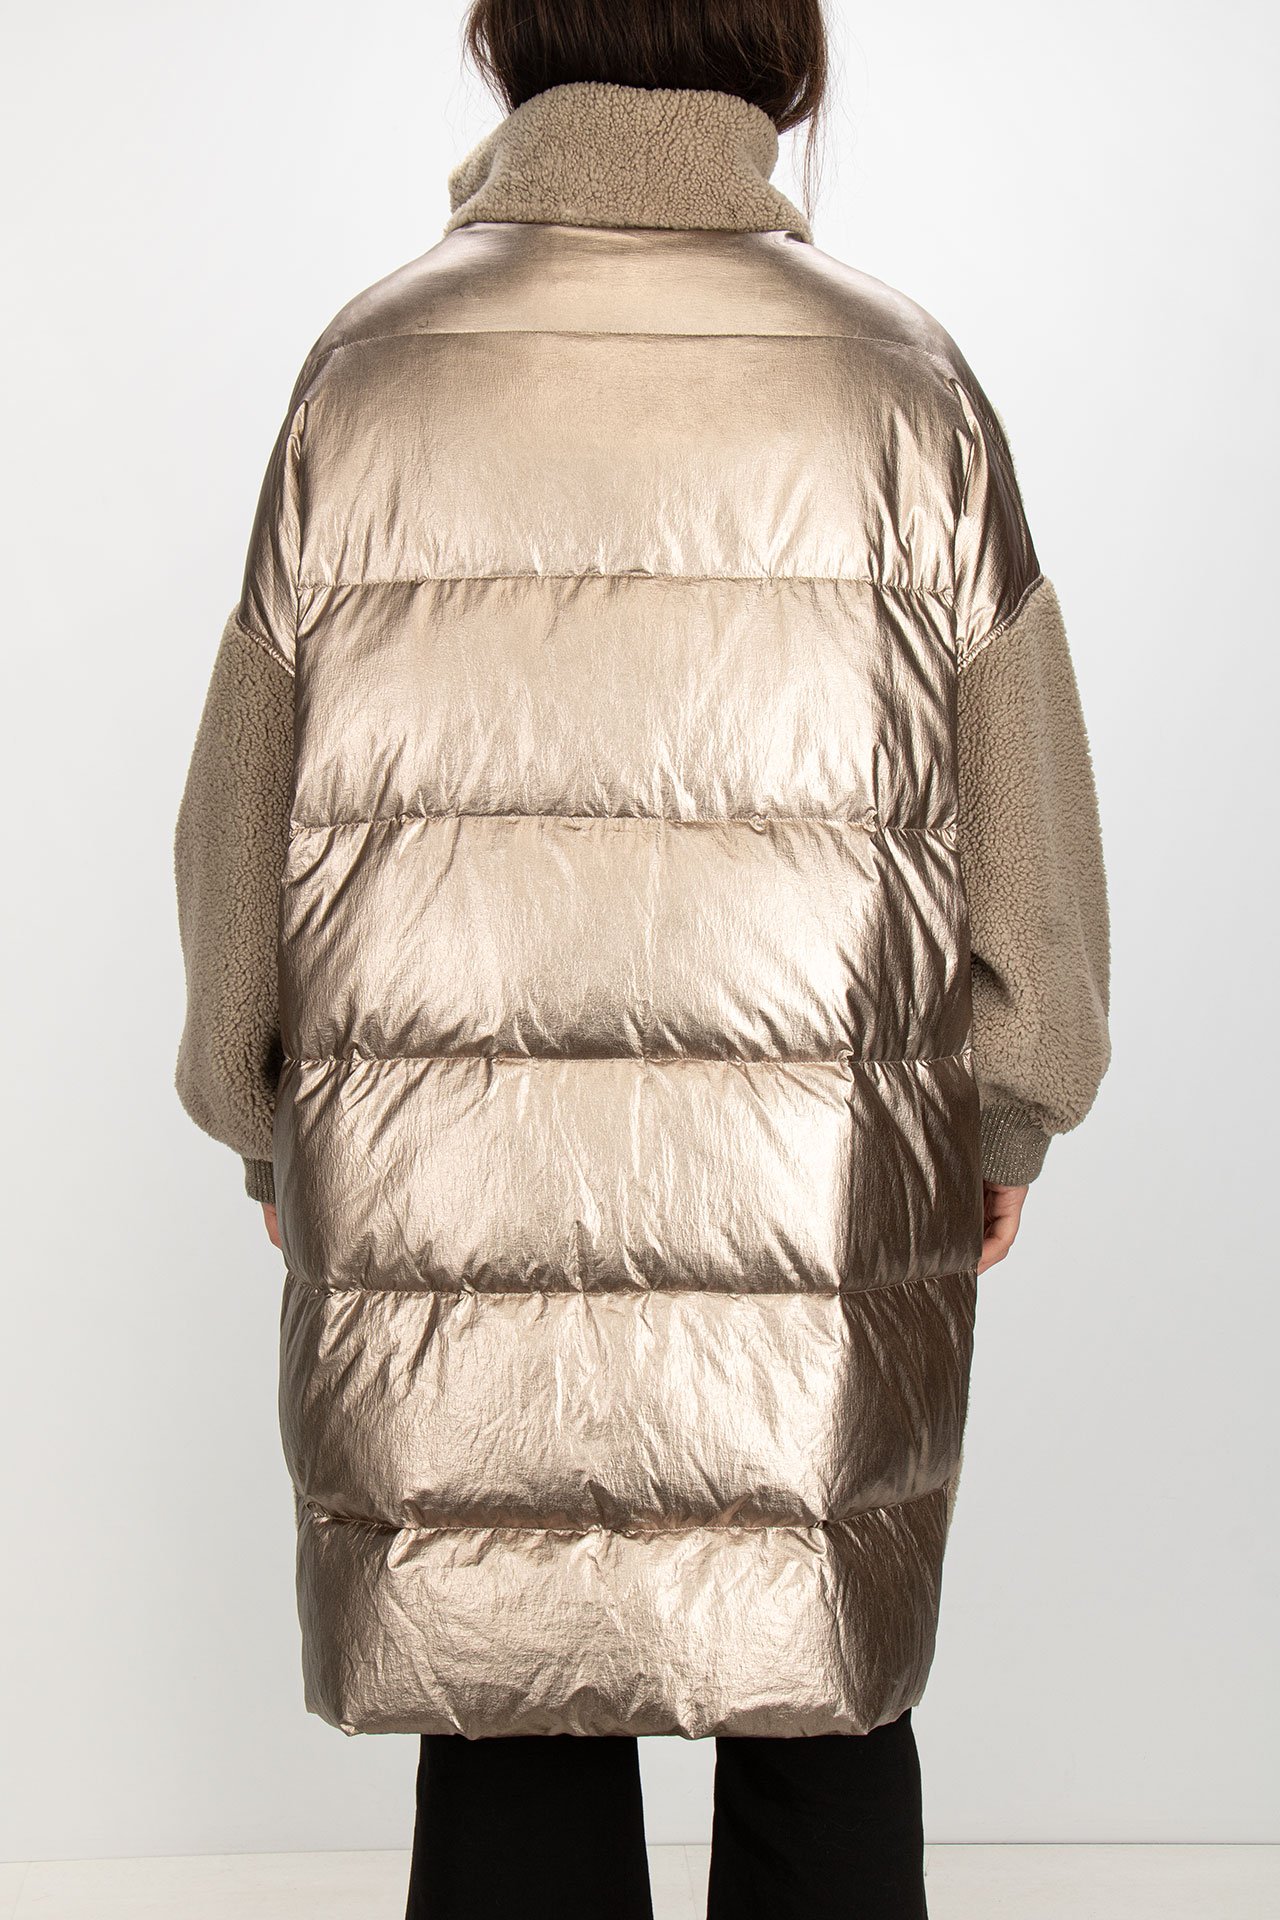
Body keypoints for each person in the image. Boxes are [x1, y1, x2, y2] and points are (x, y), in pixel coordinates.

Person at [173, 2, 1110, 1913]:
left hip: (444, 1186)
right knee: (820, 1686)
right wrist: (1009, 1109)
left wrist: (262, 1104)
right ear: (782, 56)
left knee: (503, 1691)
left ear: (513, 41)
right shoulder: (902, 385)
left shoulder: (370, 375)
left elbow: (239, 809)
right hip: (819, 1189)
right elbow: (1030, 828)